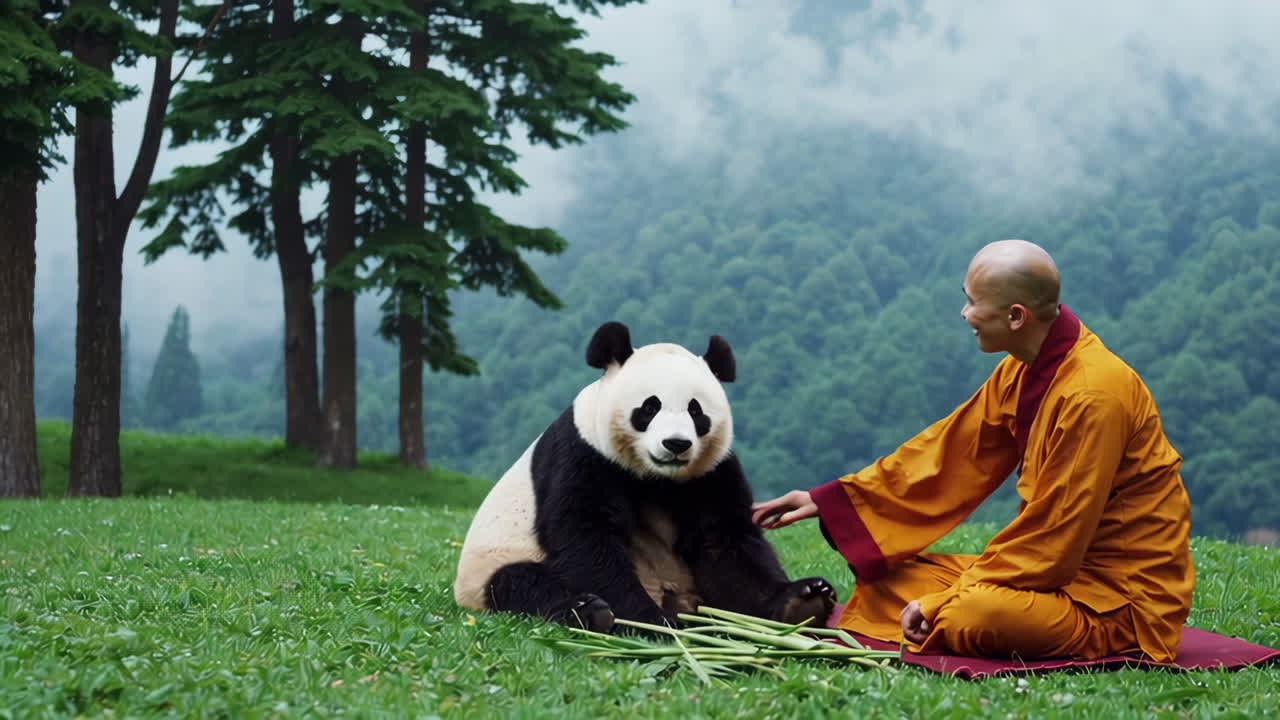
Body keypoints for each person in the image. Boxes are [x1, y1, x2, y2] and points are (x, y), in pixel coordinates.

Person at [752, 239, 1194, 662]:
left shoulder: (1093, 394)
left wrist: (949, 599)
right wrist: (828, 500)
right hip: (1053, 579)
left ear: (1017, 316)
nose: (965, 314)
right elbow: (950, 454)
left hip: (1116, 599)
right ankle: (936, 614)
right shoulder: (1024, 369)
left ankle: (946, 617)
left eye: (972, 302)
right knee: (895, 577)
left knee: (973, 613)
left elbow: (1055, 538)